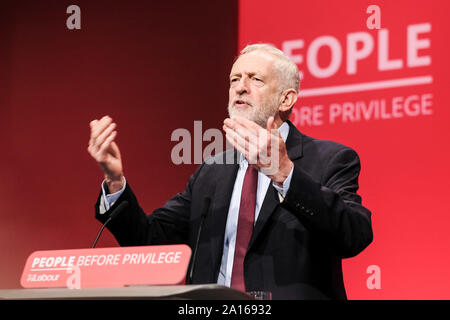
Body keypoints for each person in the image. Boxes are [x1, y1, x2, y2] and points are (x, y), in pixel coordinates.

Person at [87, 44, 373, 299]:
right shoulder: (212, 172)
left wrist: (285, 172)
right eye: (234, 79)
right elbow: (149, 240)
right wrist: (115, 182)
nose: (240, 87)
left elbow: (354, 235)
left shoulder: (331, 159)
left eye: (255, 79)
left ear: (286, 100)